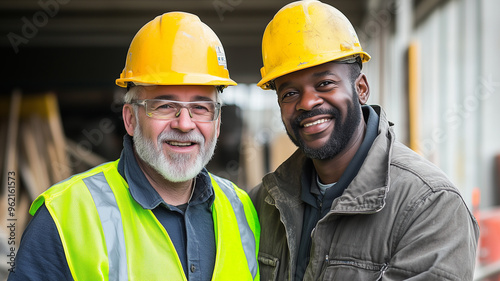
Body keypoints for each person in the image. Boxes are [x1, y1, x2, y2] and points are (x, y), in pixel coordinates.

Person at [10, 12, 260, 281]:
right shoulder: (65, 216)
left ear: (218, 122)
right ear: (130, 119)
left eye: (200, 107)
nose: (185, 124)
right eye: (165, 106)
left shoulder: (243, 211)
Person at [249, 1, 479, 280]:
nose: (307, 102)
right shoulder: (264, 202)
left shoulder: (430, 205)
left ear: (361, 89)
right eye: (290, 94)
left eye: (324, 84)